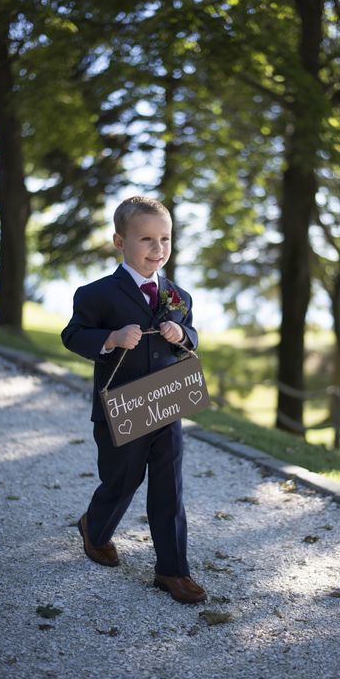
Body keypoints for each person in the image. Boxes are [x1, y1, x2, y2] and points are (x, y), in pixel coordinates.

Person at [61, 195, 206, 604]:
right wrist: (109, 338)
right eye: (146, 240)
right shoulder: (97, 294)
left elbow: (192, 338)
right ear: (119, 241)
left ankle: (173, 570)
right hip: (120, 408)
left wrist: (184, 336)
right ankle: (96, 527)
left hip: (166, 402)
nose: (158, 249)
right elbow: (72, 335)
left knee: (169, 487)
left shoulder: (178, 296)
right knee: (122, 480)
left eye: (165, 239)